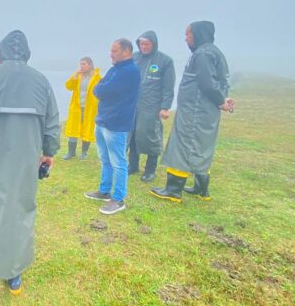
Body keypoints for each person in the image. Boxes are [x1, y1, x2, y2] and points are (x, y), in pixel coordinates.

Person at [0, 30, 60, 299]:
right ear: (26, 53)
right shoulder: (41, 81)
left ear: (2, 51)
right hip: (26, 160)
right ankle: (13, 274)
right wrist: (49, 151)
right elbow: (52, 121)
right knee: (20, 208)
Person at [151, 21, 233, 203]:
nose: (185, 38)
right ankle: (201, 189)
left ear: (198, 34)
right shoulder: (213, 51)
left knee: (182, 146)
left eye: (188, 34)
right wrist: (222, 100)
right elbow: (218, 82)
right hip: (204, 111)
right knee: (202, 147)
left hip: (195, 112)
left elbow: (207, 83)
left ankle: (173, 189)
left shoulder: (203, 53)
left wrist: (221, 101)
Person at [84, 38, 140, 215]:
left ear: (126, 52)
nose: (111, 54)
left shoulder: (130, 71)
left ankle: (119, 198)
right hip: (103, 120)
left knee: (118, 161)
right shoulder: (115, 69)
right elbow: (98, 87)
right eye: (111, 50)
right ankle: (104, 190)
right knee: (105, 159)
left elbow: (102, 90)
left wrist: (102, 89)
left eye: (115, 51)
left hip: (116, 123)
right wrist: (101, 89)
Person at [127, 31, 175, 182]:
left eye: (147, 44)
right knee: (133, 134)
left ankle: (150, 169)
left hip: (152, 105)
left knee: (150, 135)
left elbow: (168, 86)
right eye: (141, 44)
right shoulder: (134, 57)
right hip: (133, 104)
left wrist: (165, 107)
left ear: (153, 44)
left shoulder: (165, 61)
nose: (144, 47)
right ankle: (133, 165)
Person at [61, 57, 101, 160]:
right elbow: (69, 87)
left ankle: (84, 153)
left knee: (87, 129)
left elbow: (101, 90)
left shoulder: (96, 77)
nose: (82, 66)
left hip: (90, 107)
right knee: (73, 128)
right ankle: (71, 152)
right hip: (77, 107)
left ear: (90, 65)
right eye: (81, 64)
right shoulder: (78, 76)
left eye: (84, 64)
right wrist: (74, 75)